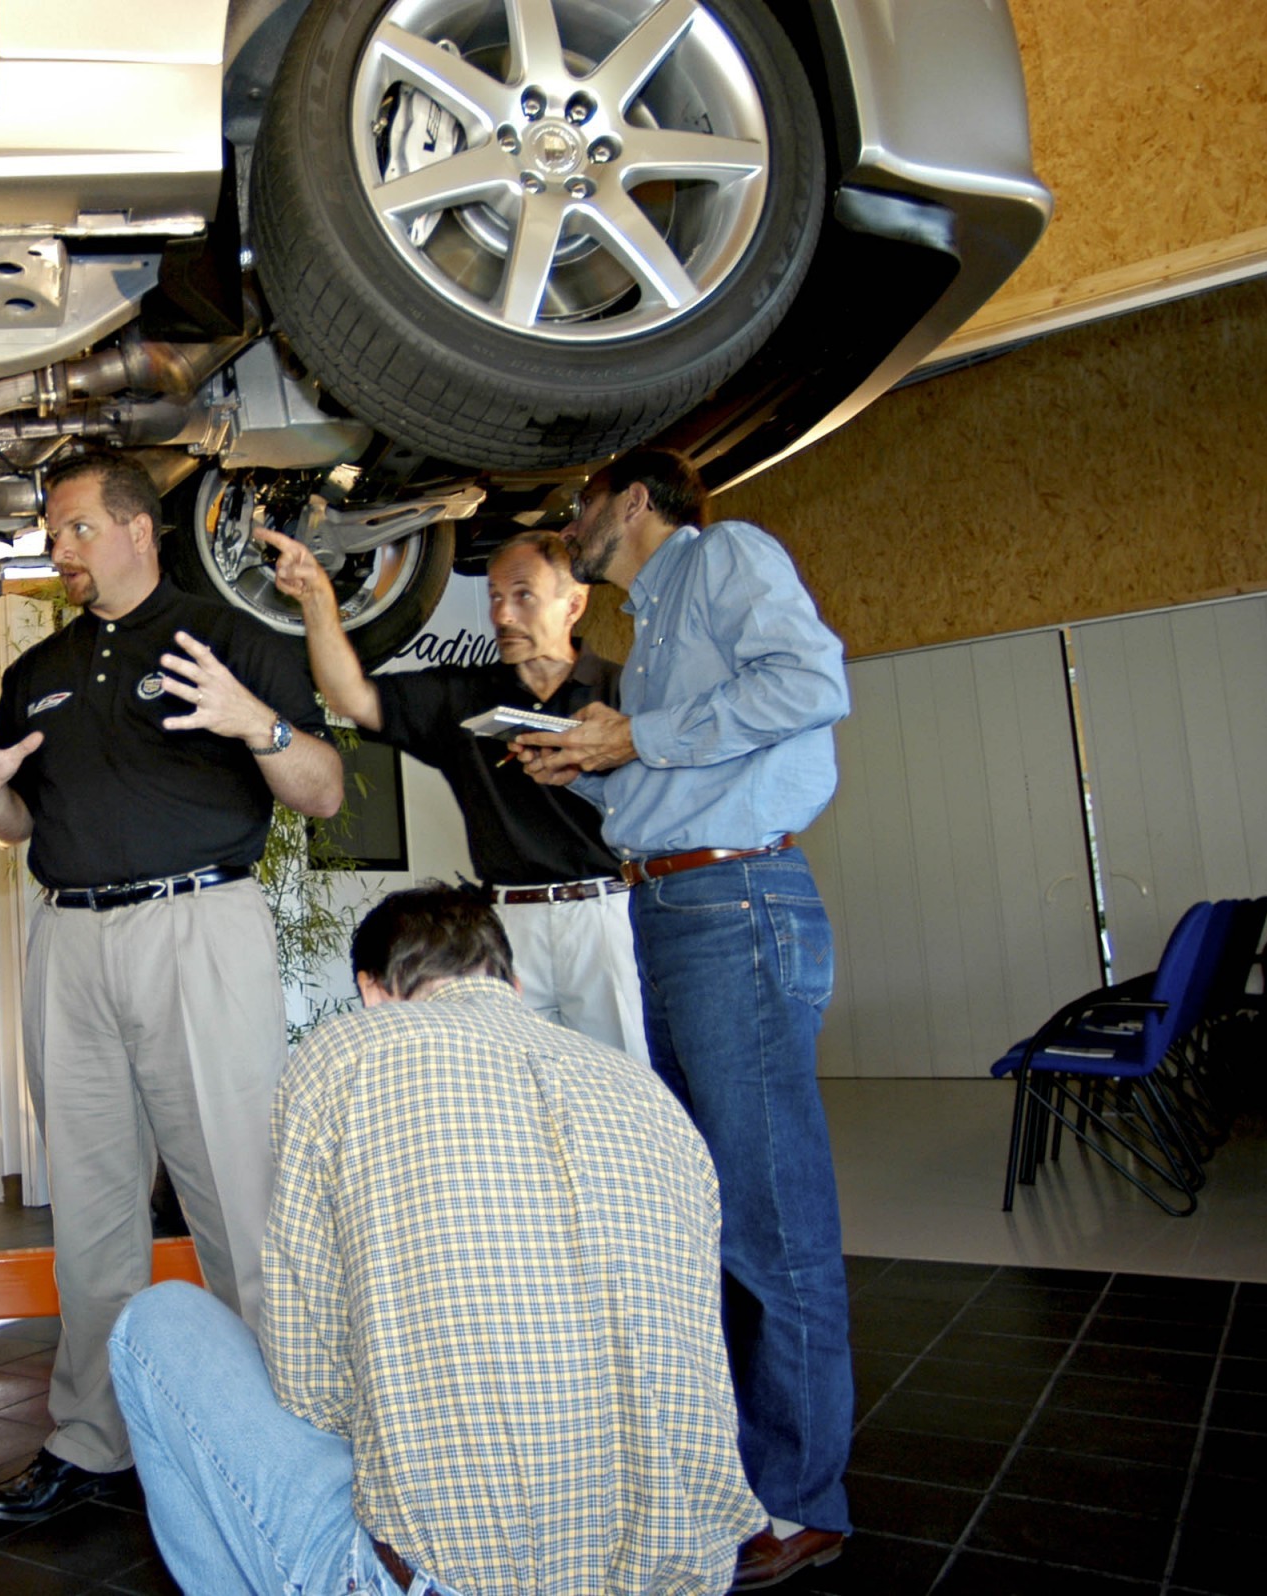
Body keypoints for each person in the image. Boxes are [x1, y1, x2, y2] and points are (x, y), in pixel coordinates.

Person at [109, 886, 760, 1595]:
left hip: (452, 1580)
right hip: (682, 1576)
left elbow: (312, 1389)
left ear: (372, 992)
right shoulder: (646, 1093)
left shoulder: (346, 1055)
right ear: (512, 982)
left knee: (157, 1323)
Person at [0, 450, 343, 1521]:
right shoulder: (40, 669)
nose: (58, 549)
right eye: (50, 533)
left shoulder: (232, 641)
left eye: (74, 528)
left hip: (198, 929)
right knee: (90, 1211)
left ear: (137, 528)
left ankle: (283, 1447)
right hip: (69, 941)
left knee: (240, 1203)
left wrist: (258, 724)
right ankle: (94, 1440)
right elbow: (19, 822)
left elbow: (324, 790)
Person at [523, 448, 853, 1589]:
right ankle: (745, 1472)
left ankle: (799, 1500)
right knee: (715, 1209)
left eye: (579, 508)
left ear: (633, 500)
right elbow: (681, 772)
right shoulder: (657, 626)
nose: (571, 527)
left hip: (735, 904)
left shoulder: (725, 558)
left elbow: (809, 684)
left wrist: (636, 737)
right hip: (674, 904)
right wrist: (586, 766)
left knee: (771, 1218)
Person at [260, 524, 645, 1059]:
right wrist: (318, 599)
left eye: (523, 595)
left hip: (606, 914)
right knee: (507, 1081)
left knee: (625, 1073)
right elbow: (351, 696)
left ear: (574, 604)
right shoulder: (464, 696)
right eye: (495, 596)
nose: (503, 615)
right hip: (508, 923)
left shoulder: (627, 692)